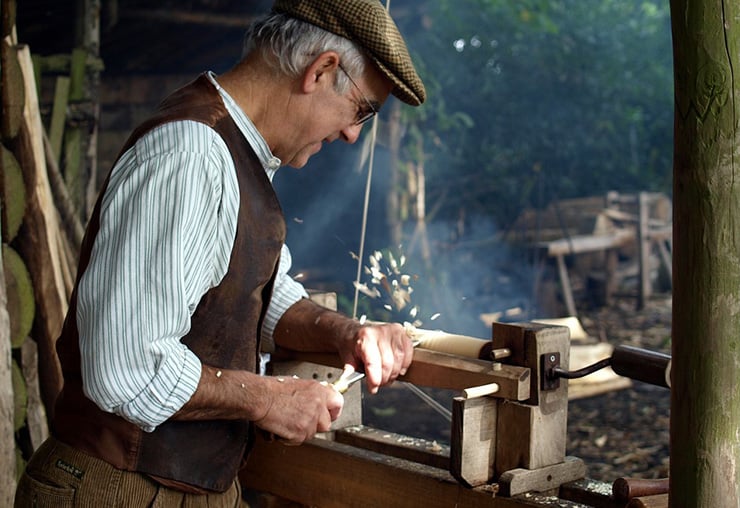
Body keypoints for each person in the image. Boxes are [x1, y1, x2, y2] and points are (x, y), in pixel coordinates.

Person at [14, 0, 426, 506]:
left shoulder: (237, 153)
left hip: (192, 487)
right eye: (362, 110)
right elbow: (127, 367)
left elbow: (255, 295)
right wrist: (267, 399)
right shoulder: (190, 154)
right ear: (321, 70)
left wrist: (344, 333)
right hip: (117, 487)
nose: (352, 133)